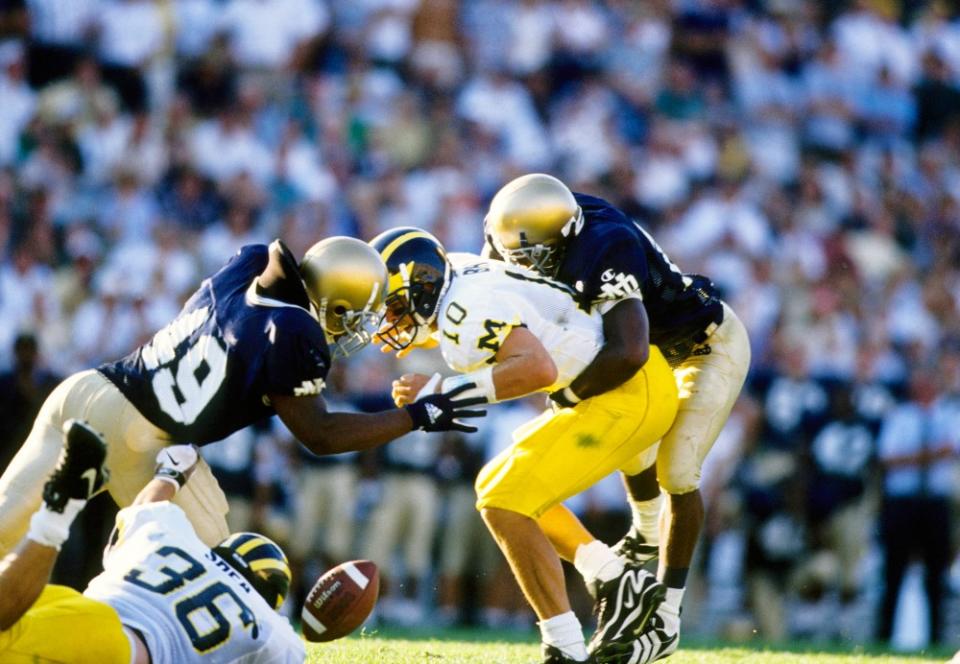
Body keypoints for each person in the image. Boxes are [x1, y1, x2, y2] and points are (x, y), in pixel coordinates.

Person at [0, 236, 486, 555]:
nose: (357, 327)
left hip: (86, 390)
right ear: (333, 300)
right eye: (355, 312)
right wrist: (414, 416)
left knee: (4, 526)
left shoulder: (251, 267)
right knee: (217, 574)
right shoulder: (295, 331)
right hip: (145, 441)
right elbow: (321, 434)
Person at [371, 228, 679, 664]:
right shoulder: (456, 272)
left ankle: (563, 645)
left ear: (423, 288)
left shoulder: (462, 312)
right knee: (494, 484)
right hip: (623, 386)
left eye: (397, 307)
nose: (392, 320)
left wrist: (442, 389)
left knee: (504, 500)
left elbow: (536, 367)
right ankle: (611, 576)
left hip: (622, 395)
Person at [483, 174, 751, 661]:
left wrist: (567, 393)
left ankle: (665, 617)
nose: (525, 266)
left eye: (536, 257)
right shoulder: (523, 222)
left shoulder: (606, 245)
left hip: (699, 348)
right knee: (630, 428)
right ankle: (644, 533)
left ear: (565, 234)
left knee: (678, 469)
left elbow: (626, 352)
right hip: (648, 353)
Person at [0, 418, 304, 663]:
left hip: (83, 608)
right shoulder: (269, 627)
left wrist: (172, 474)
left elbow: (146, 507)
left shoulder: (179, 540)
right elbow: (293, 653)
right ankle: (56, 516)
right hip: (121, 645)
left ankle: (58, 513)